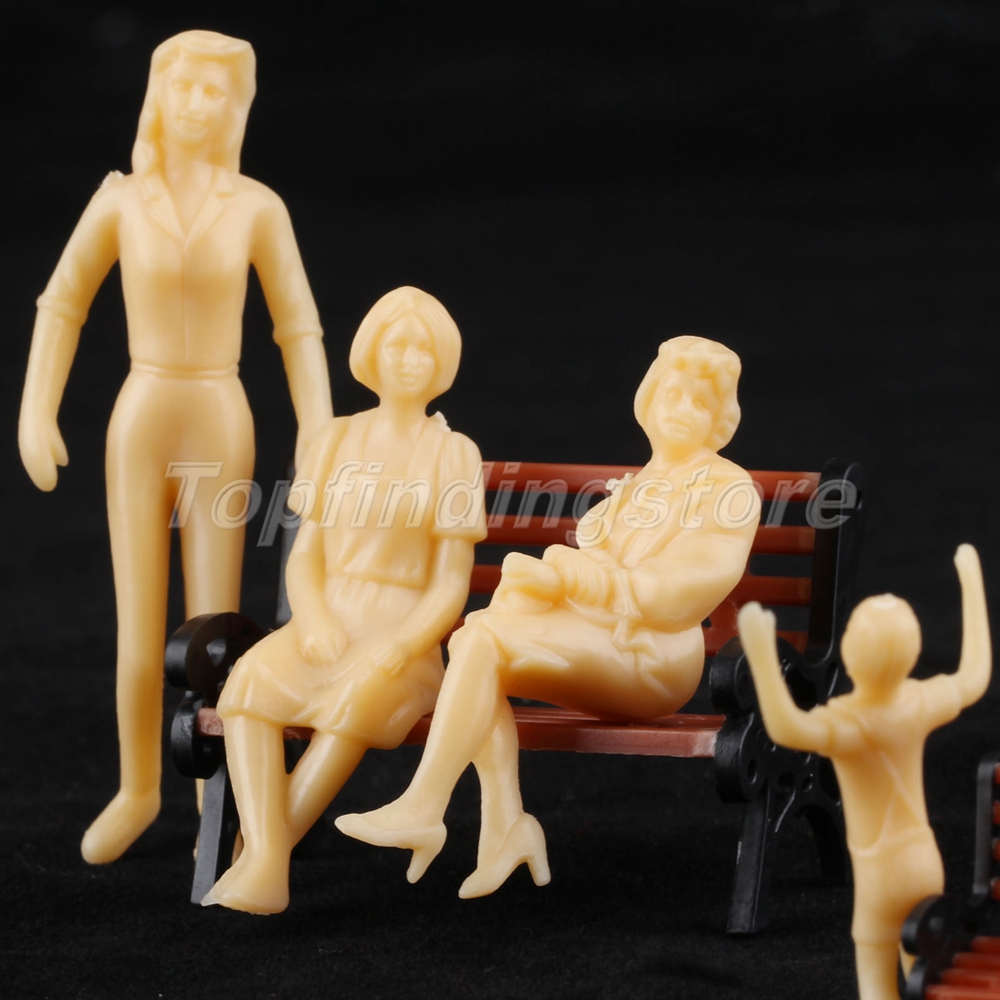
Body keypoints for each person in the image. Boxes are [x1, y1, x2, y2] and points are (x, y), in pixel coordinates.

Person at [18, 31, 333, 864]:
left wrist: (318, 428)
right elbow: (62, 302)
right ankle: (137, 786)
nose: (199, 104)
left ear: (238, 107)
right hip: (144, 414)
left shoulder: (257, 207)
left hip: (219, 414)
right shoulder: (122, 202)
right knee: (137, 627)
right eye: (185, 87)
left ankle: (210, 797)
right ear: (158, 95)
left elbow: (298, 326)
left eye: (216, 91)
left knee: (211, 627)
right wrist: (36, 411)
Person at [337, 335, 761, 898]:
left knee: (483, 642)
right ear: (649, 400)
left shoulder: (727, 488)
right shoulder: (635, 489)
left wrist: (572, 579)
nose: (682, 411)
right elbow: (592, 581)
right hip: (605, 639)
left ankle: (426, 807)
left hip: (656, 660)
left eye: (700, 403)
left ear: (720, 420)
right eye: (672, 395)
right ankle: (503, 825)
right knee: (478, 637)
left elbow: (685, 589)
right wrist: (543, 585)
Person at [202, 286, 486, 913]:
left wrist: (404, 644)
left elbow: (449, 585)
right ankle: (266, 860)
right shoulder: (334, 440)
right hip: (329, 617)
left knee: (354, 700)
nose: (410, 360)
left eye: (424, 349)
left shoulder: (454, 454)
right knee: (248, 684)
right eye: (398, 345)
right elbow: (305, 557)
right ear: (372, 352)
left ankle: (260, 857)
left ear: (442, 361)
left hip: (403, 635)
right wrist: (313, 618)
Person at [736, 545, 990, 1000]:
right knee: (928, 972)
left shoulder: (849, 724)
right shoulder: (917, 703)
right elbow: (974, 676)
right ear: (912, 652)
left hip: (879, 870)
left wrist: (760, 653)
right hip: (923, 861)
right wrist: (972, 584)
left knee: (876, 979)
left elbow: (786, 726)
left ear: (851, 651)